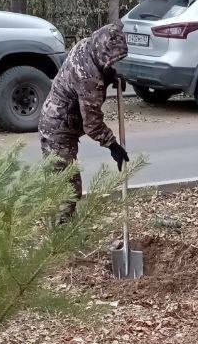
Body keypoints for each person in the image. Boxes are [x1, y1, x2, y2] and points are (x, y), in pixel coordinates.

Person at [38, 21, 130, 214]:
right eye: (111, 59)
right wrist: (113, 146)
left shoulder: (86, 45)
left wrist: (109, 74)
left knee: (65, 187)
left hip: (57, 119)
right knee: (68, 190)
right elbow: (92, 124)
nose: (113, 62)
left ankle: (64, 231)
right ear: (102, 50)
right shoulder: (89, 79)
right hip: (57, 130)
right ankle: (62, 238)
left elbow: (97, 64)